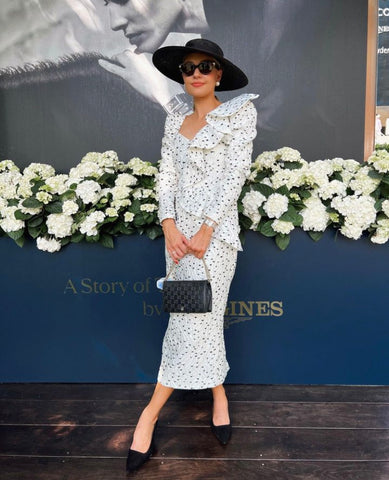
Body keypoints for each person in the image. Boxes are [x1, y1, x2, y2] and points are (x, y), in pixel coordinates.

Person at [125, 37, 258, 473]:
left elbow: (235, 173)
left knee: (194, 321)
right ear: (181, 76)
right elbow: (167, 174)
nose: (196, 73)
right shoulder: (175, 116)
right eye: (188, 67)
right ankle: (219, 396)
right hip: (177, 241)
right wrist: (168, 224)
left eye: (205, 66)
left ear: (219, 73)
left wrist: (206, 229)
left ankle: (147, 417)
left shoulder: (240, 113)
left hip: (214, 240)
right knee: (193, 319)